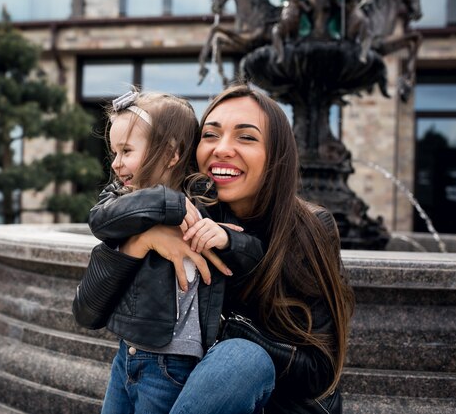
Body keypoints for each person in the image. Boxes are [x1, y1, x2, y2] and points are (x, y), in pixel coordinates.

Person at [77, 83, 355, 414]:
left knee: (241, 357)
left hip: (271, 405)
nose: (222, 149)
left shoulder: (308, 227)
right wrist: (143, 241)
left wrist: (232, 333)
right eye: (210, 135)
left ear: (276, 154)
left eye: (246, 137)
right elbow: (87, 312)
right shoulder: (179, 209)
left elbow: (319, 371)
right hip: (165, 379)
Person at [73, 89, 262, 414]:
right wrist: (167, 203)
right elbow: (100, 219)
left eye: (126, 150)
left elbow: (253, 252)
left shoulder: (206, 199)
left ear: (172, 154)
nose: (116, 163)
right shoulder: (121, 199)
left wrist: (225, 239)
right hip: (127, 353)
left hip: (171, 362)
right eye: (114, 152)